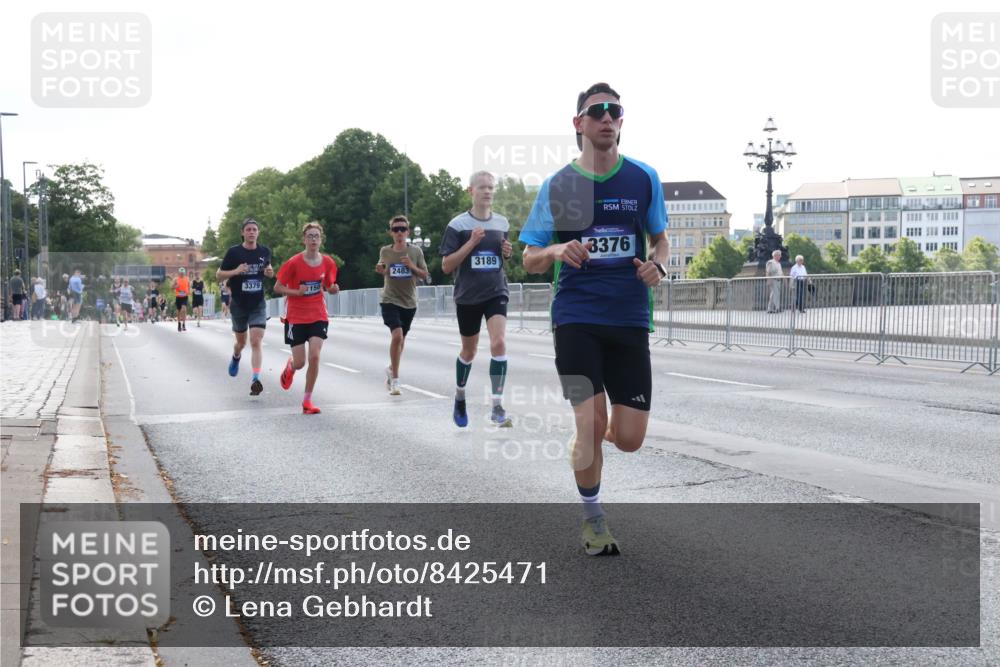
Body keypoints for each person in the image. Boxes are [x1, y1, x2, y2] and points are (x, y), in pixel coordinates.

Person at [519, 82, 668, 556]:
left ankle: (595, 430)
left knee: (629, 439)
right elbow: (528, 258)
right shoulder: (559, 185)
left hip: (628, 319)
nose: (607, 118)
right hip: (576, 319)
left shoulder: (643, 179)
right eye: (597, 110)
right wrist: (556, 249)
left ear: (621, 122)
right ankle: (593, 520)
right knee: (589, 422)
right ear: (578, 123)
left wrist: (658, 265)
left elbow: (661, 240)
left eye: (614, 111)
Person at [440, 172, 515, 427]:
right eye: (482, 187)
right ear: (470, 190)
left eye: (491, 187)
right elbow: (447, 265)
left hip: (496, 291)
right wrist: (471, 242)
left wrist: (507, 253)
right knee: (469, 351)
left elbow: (502, 256)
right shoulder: (458, 225)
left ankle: (497, 406)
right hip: (468, 296)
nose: (487, 191)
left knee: (499, 343)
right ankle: (460, 395)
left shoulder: (502, 223)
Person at [274, 222, 340, 414]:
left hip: (318, 314)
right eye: (310, 236)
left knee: (315, 356)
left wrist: (334, 289)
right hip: (296, 317)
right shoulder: (294, 262)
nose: (313, 239)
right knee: (300, 362)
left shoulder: (328, 262)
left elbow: (329, 286)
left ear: (321, 240)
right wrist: (296, 292)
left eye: (316, 236)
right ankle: (291, 367)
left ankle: (307, 401)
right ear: (304, 239)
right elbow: (277, 287)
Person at [217, 218, 274, 396]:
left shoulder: (264, 251)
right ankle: (236, 357)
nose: (251, 232)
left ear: (258, 233)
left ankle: (255, 379)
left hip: (258, 303)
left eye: (254, 229)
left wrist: (270, 272)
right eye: (248, 229)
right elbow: (219, 275)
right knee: (241, 343)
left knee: (256, 341)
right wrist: (236, 271)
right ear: (242, 233)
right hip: (239, 304)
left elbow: (268, 269)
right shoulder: (234, 252)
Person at [376, 215, 429, 396]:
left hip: (409, 302)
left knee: (401, 340)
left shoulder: (415, 251)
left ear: (408, 231)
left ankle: (391, 368)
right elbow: (383, 269)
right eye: (395, 229)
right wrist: (381, 270)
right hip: (389, 299)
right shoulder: (385, 251)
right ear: (391, 233)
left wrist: (411, 266)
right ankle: (396, 381)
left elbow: (424, 274)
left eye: (403, 229)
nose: (399, 232)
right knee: (397, 336)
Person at [765, 249, 783, 313]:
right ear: (775, 256)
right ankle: (776, 308)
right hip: (773, 280)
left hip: (778, 280)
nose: (780, 256)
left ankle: (771, 308)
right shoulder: (770, 262)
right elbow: (768, 272)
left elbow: (781, 272)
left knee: (775, 294)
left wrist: (785, 279)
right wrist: (768, 280)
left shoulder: (779, 263)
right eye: (779, 255)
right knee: (774, 294)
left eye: (780, 255)